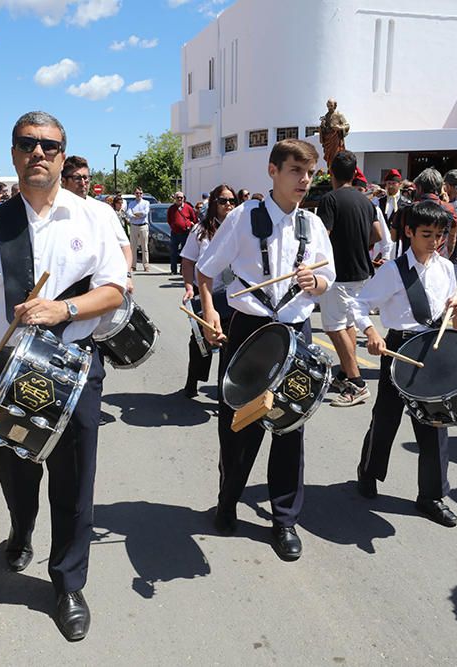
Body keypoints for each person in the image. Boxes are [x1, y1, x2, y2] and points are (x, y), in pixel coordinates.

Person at [0, 111, 127, 642]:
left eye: (49, 145)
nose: (38, 153)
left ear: (63, 155)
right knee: (16, 471)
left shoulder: (94, 218)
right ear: (15, 153)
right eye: (28, 144)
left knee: (73, 484)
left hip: (72, 369)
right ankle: (21, 530)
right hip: (7, 370)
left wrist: (63, 311)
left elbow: (116, 290)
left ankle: (67, 582)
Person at [196, 139, 335, 561]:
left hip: (295, 331)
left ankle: (284, 521)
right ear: (273, 171)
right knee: (238, 425)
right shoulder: (242, 216)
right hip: (251, 328)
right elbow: (206, 271)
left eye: (309, 173)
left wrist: (318, 283)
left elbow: (329, 278)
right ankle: (228, 499)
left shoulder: (313, 225)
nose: (304, 181)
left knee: (290, 427)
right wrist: (210, 312)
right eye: (296, 171)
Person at [351, 201, 457, 527]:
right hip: (399, 349)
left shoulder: (445, 268)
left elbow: (455, 321)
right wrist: (372, 332)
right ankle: (369, 471)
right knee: (386, 419)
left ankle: (432, 495)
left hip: (433, 350)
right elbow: (359, 305)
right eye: (426, 234)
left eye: (439, 235)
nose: (434, 241)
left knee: (434, 425)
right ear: (410, 232)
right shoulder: (392, 271)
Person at [316, 151, 381, 407]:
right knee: (348, 324)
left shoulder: (329, 199)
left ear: (330, 172)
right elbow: (377, 234)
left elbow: (324, 236)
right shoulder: (366, 201)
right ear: (355, 173)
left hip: (338, 272)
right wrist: (357, 242)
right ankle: (345, 371)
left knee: (334, 327)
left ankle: (357, 383)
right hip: (361, 270)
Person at [180, 184, 236, 398]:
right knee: (200, 342)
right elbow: (187, 261)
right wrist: (187, 285)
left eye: (232, 201)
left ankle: (225, 388)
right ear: (214, 203)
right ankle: (192, 381)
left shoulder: (240, 229)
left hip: (233, 296)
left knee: (229, 343)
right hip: (206, 294)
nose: (228, 205)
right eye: (223, 201)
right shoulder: (200, 230)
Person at [62, 156, 134, 292]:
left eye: (86, 177)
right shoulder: (54, 211)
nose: (83, 182)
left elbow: (124, 247)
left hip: (100, 291)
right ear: (63, 181)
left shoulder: (104, 210)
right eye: (77, 178)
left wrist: (126, 275)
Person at [167, 192, 197, 275]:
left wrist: (190, 224)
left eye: (181, 197)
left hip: (185, 233)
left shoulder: (188, 208)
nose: (179, 199)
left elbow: (194, 219)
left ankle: (182, 270)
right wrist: (173, 226)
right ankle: (173, 270)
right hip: (175, 233)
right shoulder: (171, 208)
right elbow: (169, 220)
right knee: (173, 252)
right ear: (175, 198)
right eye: (178, 197)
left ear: (184, 198)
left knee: (184, 253)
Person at [127, 187, 151, 272]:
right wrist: (135, 216)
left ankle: (146, 265)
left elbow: (145, 213)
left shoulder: (146, 203)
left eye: (140, 193)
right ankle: (133, 265)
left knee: (144, 247)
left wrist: (136, 214)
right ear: (134, 194)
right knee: (133, 247)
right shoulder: (131, 203)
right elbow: (129, 213)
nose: (139, 195)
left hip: (143, 226)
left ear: (142, 194)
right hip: (134, 226)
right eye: (137, 193)